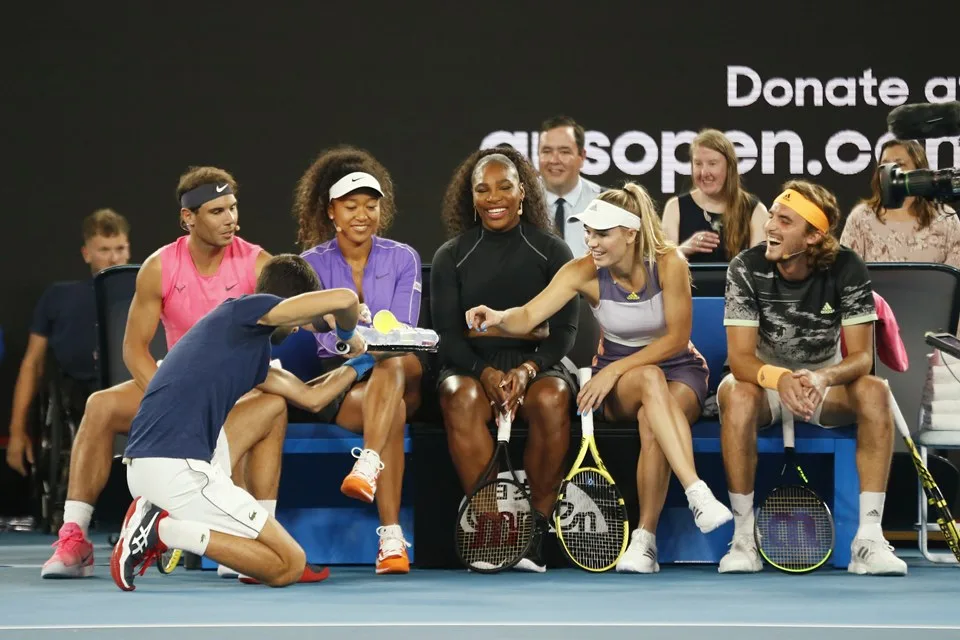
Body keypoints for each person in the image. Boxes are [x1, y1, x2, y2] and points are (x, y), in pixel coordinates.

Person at [465, 184, 734, 574]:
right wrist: (499, 316)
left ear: (630, 233)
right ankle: (696, 491)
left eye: (602, 233)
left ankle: (645, 541)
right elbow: (528, 315)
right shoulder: (582, 272)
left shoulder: (670, 262)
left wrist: (611, 371)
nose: (591, 241)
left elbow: (676, 337)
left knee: (651, 417)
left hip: (678, 370)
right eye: (588, 231)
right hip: (624, 380)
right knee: (647, 381)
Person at [42, 166, 284, 580]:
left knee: (271, 405)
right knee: (99, 405)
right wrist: (167, 400)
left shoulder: (257, 263)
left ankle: (251, 540)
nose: (231, 220)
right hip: (176, 385)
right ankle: (74, 539)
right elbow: (133, 349)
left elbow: (278, 335)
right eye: (217, 211)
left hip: (234, 390)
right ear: (188, 218)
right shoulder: (160, 266)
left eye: (233, 208)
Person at [111, 254, 375, 591]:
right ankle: (161, 529)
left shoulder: (245, 345)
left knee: (277, 564)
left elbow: (312, 398)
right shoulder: (245, 310)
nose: (296, 330)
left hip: (157, 465)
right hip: (177, 469)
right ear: (289, 304)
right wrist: (349, 333)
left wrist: (364, 361)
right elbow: (346, 299)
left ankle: (161, 524)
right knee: (290, 565)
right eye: (297, 319)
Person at [718, 179, 907, 576]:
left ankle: (869, 540)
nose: (770, 225)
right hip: (763, 384)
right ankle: (743, 538)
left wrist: (823, 378)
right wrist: (780, 378)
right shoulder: (745, 268)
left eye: (784, 220)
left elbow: (861, 358)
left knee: (874, 392)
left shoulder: (847, 267)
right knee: (736, 394)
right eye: (771, 215)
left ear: (814, 235)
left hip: (822, 386)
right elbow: (739, 360)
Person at [432, 147, 578, 573]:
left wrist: (527, 369)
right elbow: (447, 335)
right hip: (470, 367)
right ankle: (497, 526)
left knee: (551, 399)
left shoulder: (552, 251)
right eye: (483, 189)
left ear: (522, 194)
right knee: (460, 397)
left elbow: (564, 334)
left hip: (537, 366)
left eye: (504, 187)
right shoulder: (450, 255)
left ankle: (534, 529)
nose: (493, 196)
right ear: (471, 197)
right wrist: (486, 371)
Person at [293, 146, 423, 574]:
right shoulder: (310, 264)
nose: (362, 215)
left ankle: (367, 463)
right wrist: (348, 340)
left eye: (371, 205)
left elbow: (402, 333)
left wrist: (350, 336)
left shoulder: (403, 257)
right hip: (341, 381)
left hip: (399, 366)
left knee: (392, 364)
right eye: (351, 207)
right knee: (393, 411)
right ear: (332, 211)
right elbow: (315, 336)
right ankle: (391, 540)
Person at [7, 209, 131, 477]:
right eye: (104, 249)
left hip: (133, 389)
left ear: (128, 250)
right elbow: (33, 363)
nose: (113, 258)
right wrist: (17, 432)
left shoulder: (146, 295)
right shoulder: (59, 296)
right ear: (87, 253)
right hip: (79, 394)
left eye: (120, 248)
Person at [841, 138, 960, 267]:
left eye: (899, 165)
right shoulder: (860, 218)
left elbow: (953, 279)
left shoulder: (946, 218)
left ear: (918, 170)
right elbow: (847, 275)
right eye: (884, 165)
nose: (889, 173)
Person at [662, 129, 767, 263]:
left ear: (729, 167)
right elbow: (662, 268)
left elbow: (758, 272)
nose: (704, 172)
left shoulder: (755, 211)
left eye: (712, 164)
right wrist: (683, 250)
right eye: (698, 164)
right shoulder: (675, 208)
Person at [538, 115, 604, 258]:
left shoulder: (604, 203)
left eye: (564, 152)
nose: (554, 160)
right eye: (547, 151)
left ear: (582, 156)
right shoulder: (521, 203)